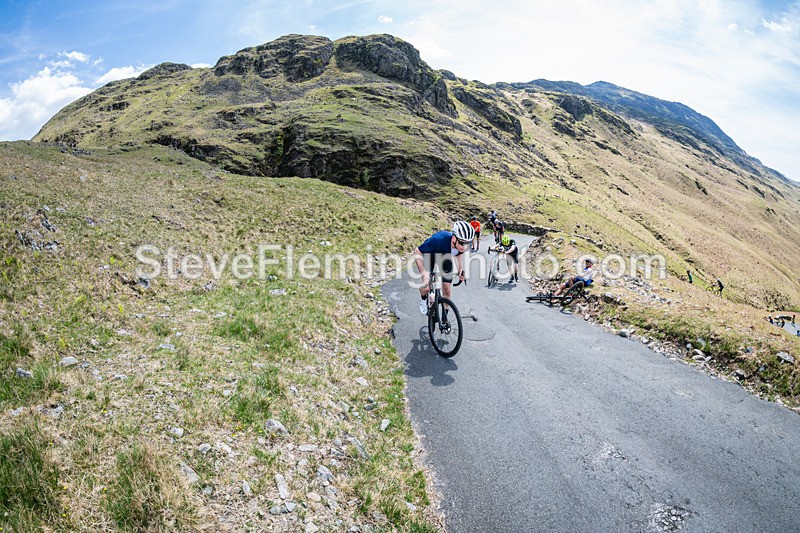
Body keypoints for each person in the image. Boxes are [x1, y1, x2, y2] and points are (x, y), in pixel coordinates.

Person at [414, 221, 474, 315]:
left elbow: (458, 254)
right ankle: (423, 298)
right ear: (454, 238)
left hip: (445, 258)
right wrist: (424, 273)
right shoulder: (438, 239)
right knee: (426, 287)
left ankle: (444, 319)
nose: (464, 247)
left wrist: (460, 270)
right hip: (429, 255)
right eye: (462, 243)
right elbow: (417, 251)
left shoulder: (461, 245)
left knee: (447, 290)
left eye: (468, 244)